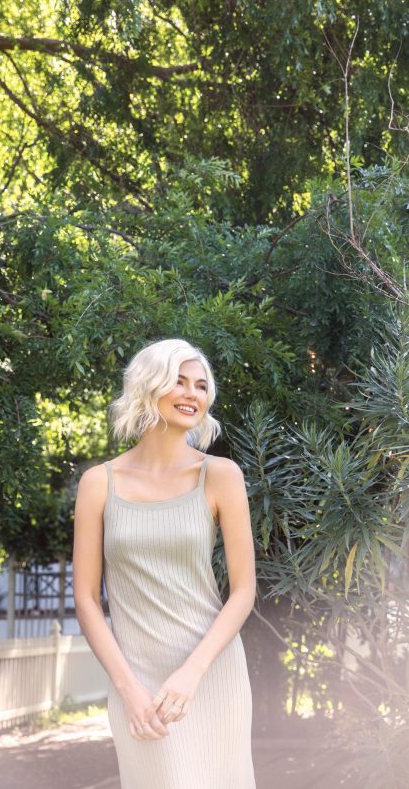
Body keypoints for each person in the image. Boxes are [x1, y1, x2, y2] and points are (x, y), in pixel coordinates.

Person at [73, 337, 258, 789]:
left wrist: (191, 673)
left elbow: (243, 591)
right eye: (179, 381)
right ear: (149, 386)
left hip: (211, 675)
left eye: (201, 385)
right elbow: (86, 599)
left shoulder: (220, 476)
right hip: (136, 685)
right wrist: (128, 690)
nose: (192, 394)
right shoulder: (99, 483)